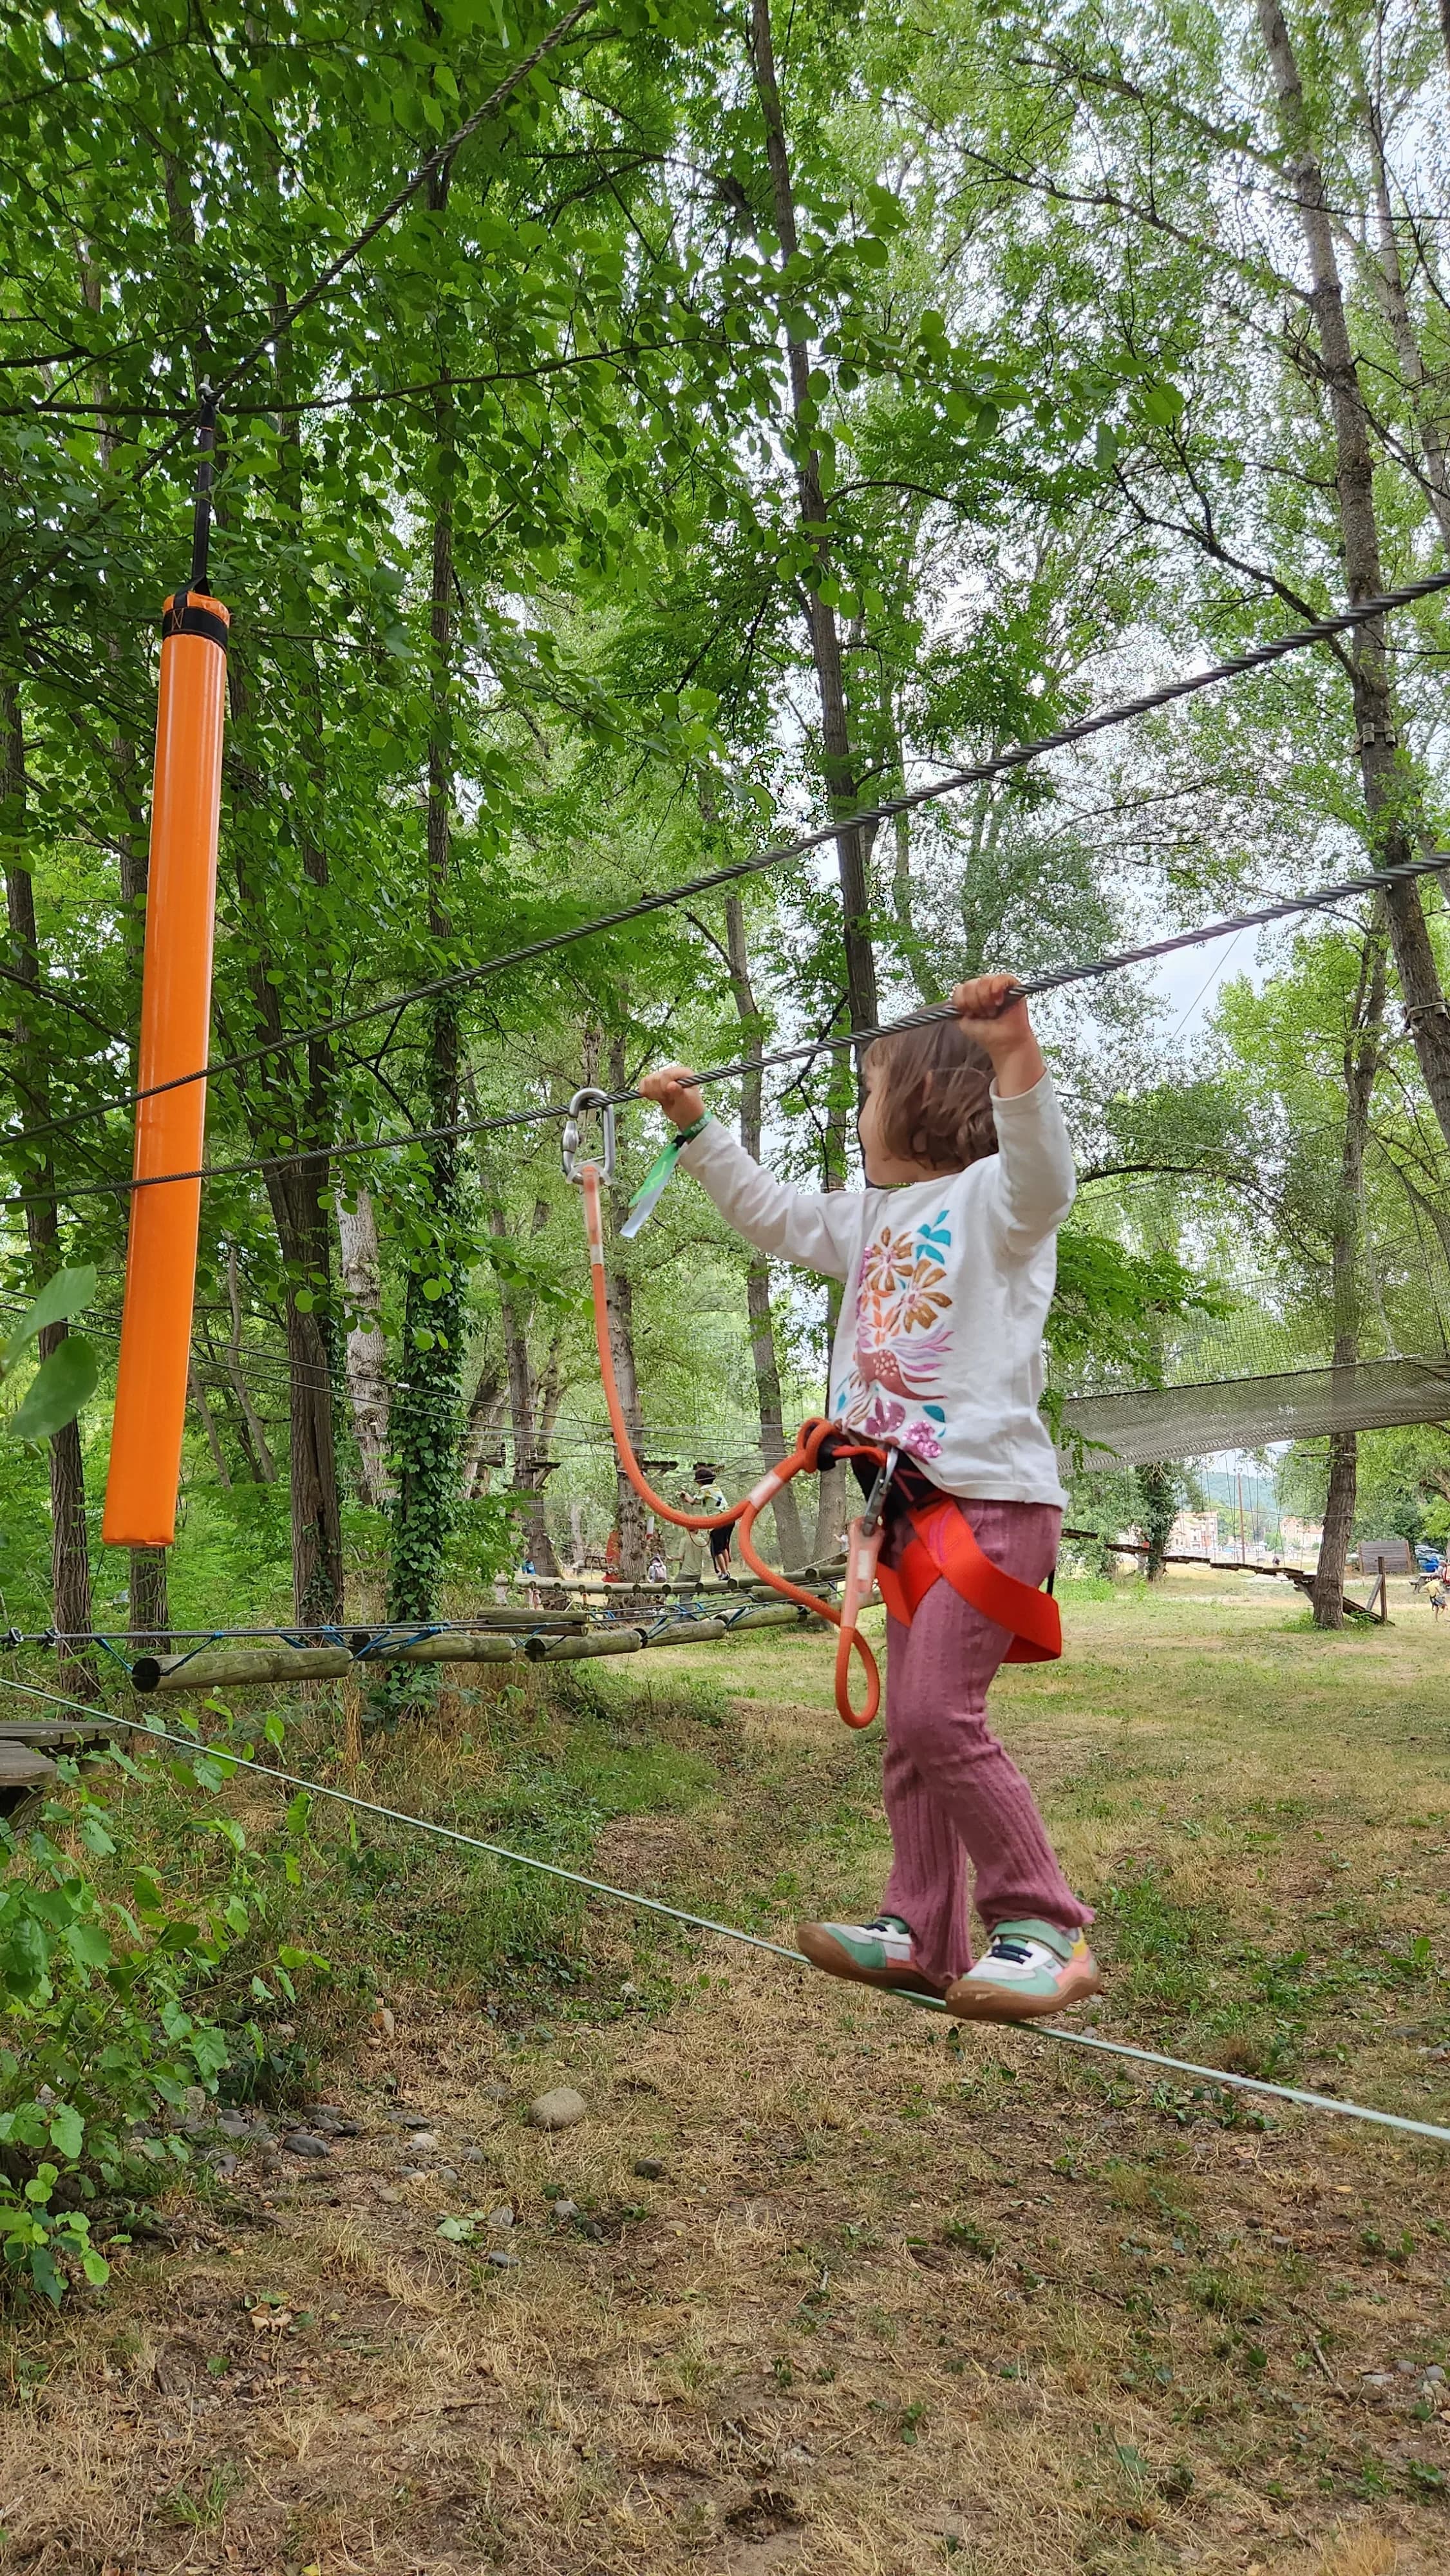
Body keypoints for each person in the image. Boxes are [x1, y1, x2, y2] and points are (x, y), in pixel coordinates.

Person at [640, 974, 1100, 2023]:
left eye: (868, 1093)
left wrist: (1012, 1053)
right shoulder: (866, 1219)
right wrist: (696, 1126)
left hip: (986, 1508)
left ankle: (1043, 1925)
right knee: (910, 1730)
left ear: (928, 1103)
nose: (856, 1117)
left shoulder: (997, 1203)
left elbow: (1044, 1171)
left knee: (941, 1716)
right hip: (905, 1516)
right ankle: (920, 1930)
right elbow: (764, 1210)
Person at [694, 1461, 733, 1580]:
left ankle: (724, 1573)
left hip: (718, 1520)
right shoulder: (715, 1488)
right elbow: (699, 1501)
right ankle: (726, 1571)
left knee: (717, 1550)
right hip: (729, 1518)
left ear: (699, 1482)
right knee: (723, 1546)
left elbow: (693, 1501)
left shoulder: (705, 1489)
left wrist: (684, 1496)